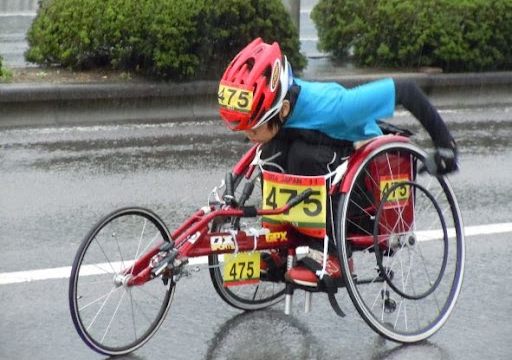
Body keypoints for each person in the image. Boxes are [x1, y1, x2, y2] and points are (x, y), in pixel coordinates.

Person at [218, 37, 458, 288]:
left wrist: (445, 145)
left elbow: (405, 90)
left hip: (364, 191)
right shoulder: (279, 100)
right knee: (271, 153)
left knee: (303, 155)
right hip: (322, 177)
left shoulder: (337, 107)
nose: (248, 135)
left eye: (253, 129)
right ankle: (279, 247)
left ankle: (333, 258)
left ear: (284, 109)